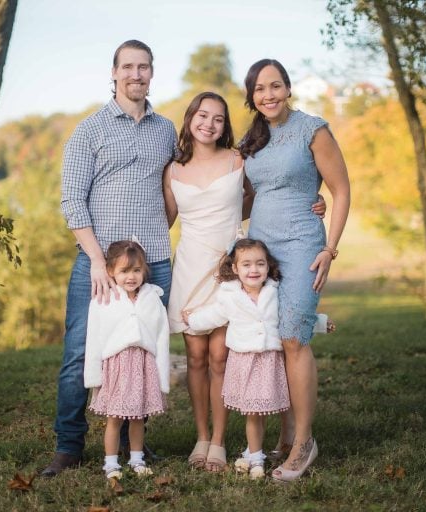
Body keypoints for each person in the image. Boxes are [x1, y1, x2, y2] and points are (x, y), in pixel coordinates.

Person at [162, 92, 326, 472]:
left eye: (218, 118)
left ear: (225, 125)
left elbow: (266, 193)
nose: (209, 124)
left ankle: (219, 442)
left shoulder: (238, 160)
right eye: (202, 116)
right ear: (190, 120)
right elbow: (164, 220)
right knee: (196, 358)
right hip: (190, 265)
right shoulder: (172, 170)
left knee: (221, 356)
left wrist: (311, 199)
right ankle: (201, 437)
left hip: (229, 266)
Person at [39, 39, 177, 477]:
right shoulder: (90, 129)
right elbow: (72, 202)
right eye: (128, 67)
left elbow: (179, 189)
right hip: (98, 265)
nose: (136, 74)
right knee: (82, 354)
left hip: (152, 262)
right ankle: (69, 445)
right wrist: (98, 261)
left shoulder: (167, 131)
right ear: (114, 73)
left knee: (143, 352)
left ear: (152, 73)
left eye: (144, 67)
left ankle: (136, 446)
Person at [240, 59, 351, 483]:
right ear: (252, 96)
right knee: (273, 339)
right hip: (261, 251)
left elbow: (340, 190)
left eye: (275, 86)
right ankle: (285, 434)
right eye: (259, 88)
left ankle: (304, 443)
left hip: (304, 243)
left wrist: (330, 248)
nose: (268, 94)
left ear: (288, 89)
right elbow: (251, 197)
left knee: (293, 337)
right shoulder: (253, 138)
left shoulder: (313, 129)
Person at [182, 239, 330, 480]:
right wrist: (193, 320)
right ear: (235, 269)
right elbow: (214, 316)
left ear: (268, 267)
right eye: (247, 264)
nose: (254, 270)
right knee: (253, 413)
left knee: (264, 410)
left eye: (260, 264)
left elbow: (293, 316)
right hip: (245, 361)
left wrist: (321, 322)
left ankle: (255, 450)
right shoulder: (229, 295)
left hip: (269, 361)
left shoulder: (274, 291)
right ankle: (256, 455)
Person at [84, 240, 170, 479]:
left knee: (138, 418)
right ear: (111, 271)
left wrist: (162, 377)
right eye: (124, 271)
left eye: (136, 270)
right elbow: (94, 338)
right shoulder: (105, 300)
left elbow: (161, 337)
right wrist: (94, 376)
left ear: (144, 271)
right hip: (117, 367)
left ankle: (136, 458)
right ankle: (111, 463)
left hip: (144, 365)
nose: (131, 276)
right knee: (115, 418)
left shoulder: (152, 299)